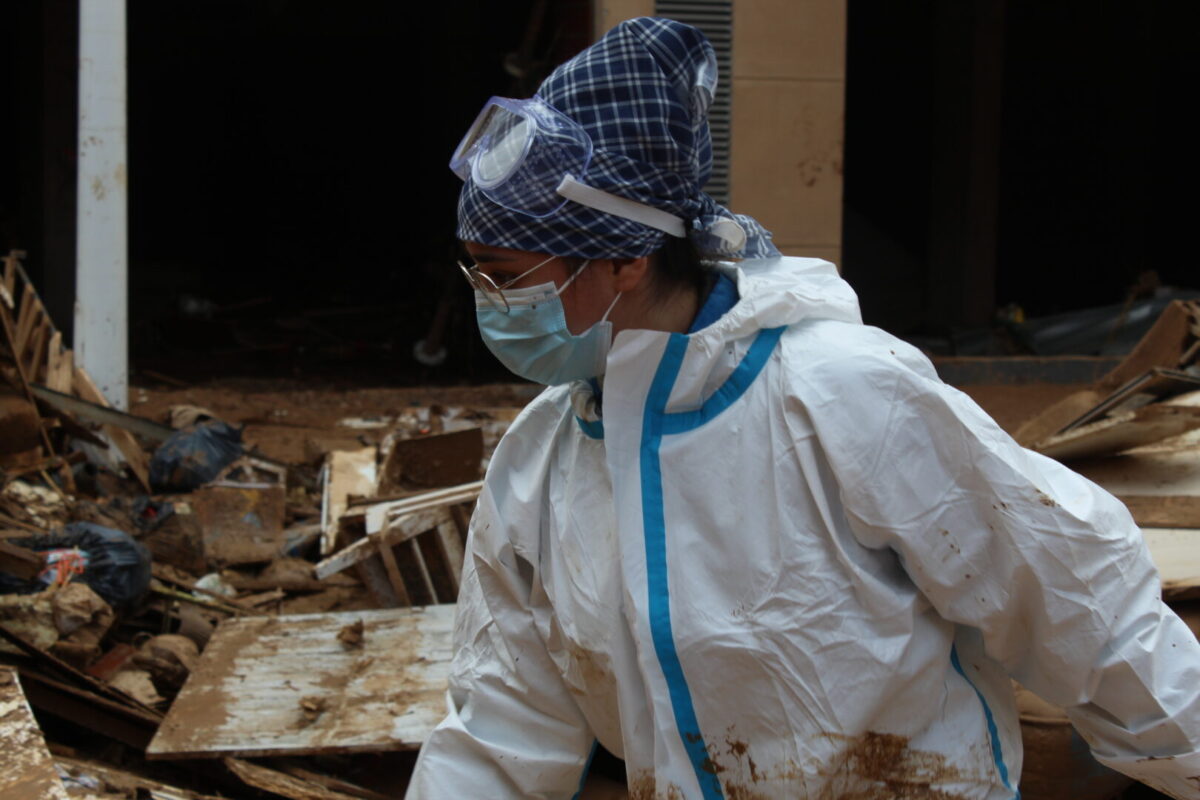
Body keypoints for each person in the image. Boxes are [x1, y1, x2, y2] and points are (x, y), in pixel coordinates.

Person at [406, 17, 1200, 799]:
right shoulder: (540, 460)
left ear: (623, 256)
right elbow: (498, 728)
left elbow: (1073, 606)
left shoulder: (844, 398)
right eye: (475, 274)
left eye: (505, 275)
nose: (488, 301)